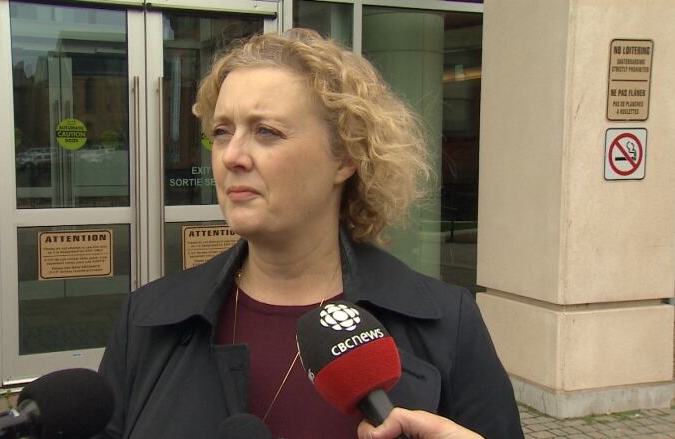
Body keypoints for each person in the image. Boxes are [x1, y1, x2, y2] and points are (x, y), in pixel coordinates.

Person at [94, 28, 522, 439]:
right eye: (222, 131)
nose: (232, 156)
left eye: (266, 131)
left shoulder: (446, 326)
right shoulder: (148, 320)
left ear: (345, 157)